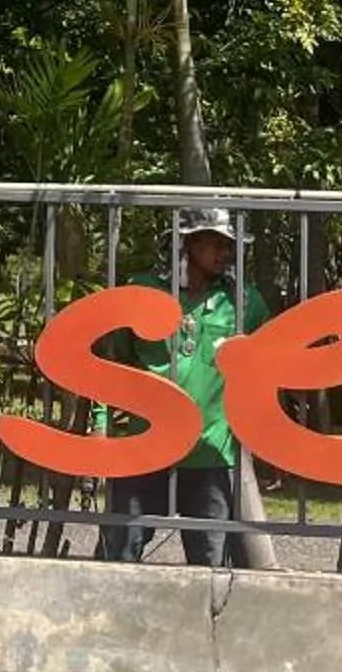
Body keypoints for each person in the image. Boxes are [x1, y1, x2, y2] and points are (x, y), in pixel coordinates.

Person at [97, 208, 265, 566]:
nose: (224, 252)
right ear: (186, 243)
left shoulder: (244, 302)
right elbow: (111, 367)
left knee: (212, 567)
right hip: (146, 448)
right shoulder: (142, 294)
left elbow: (266, 369)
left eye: (229, 244)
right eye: (214, 242)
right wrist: (100, 425)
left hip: (211, 453)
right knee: (119, 557)